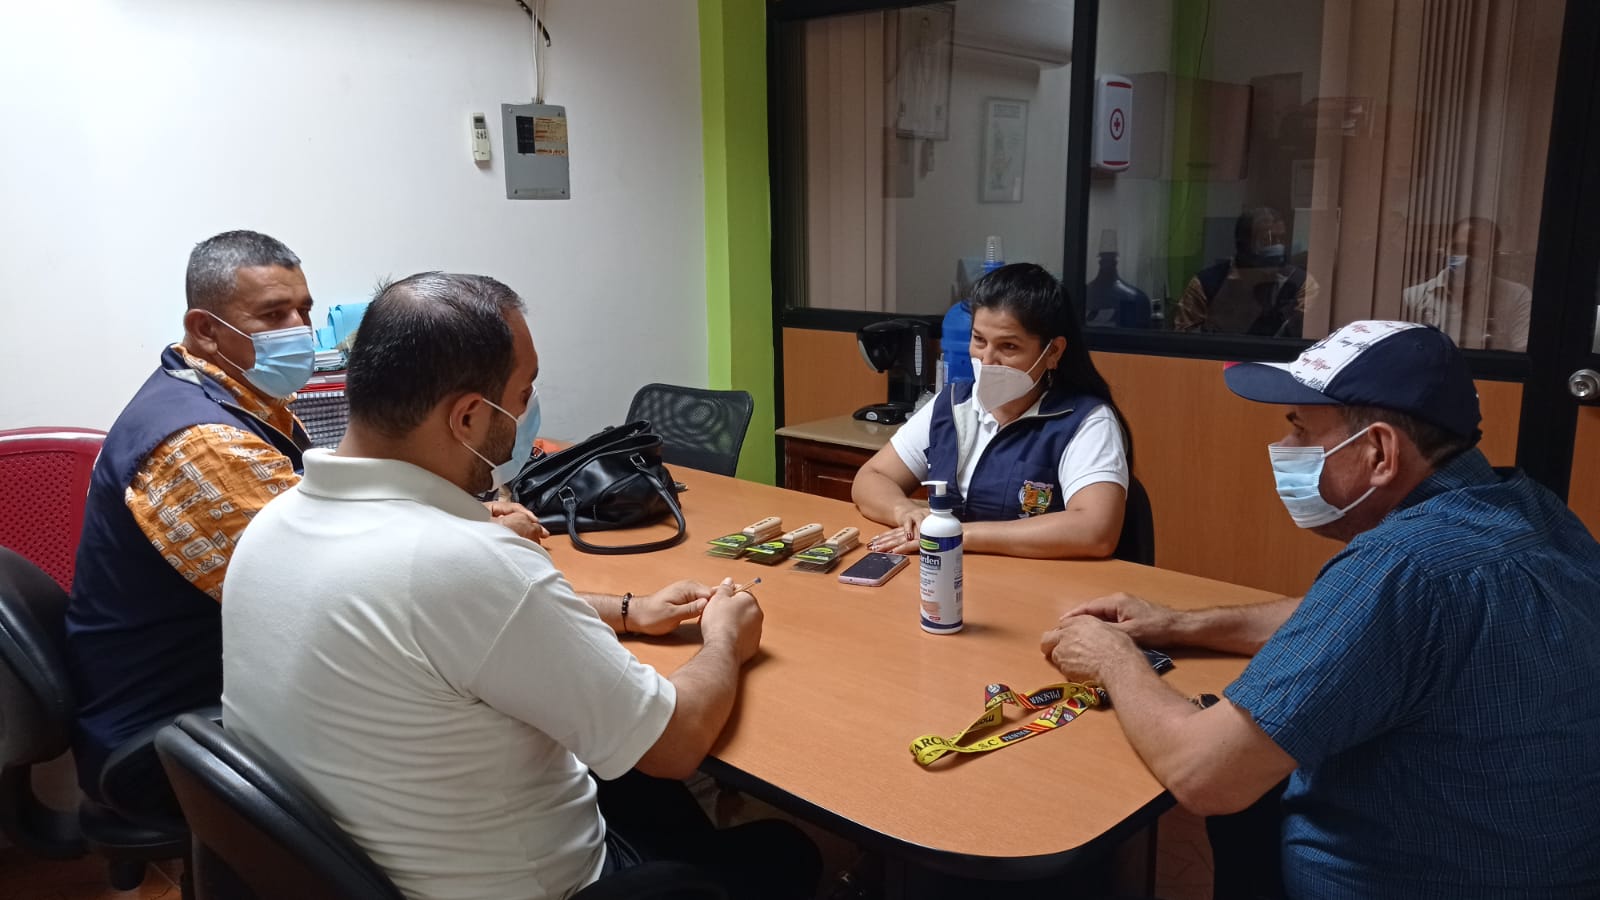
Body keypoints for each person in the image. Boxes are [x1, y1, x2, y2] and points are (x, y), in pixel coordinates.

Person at [221, 272, 818, 900]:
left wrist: (626, 609)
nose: (527, 412)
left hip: (360, 863)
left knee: (624, 770)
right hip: (540, 885)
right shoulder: (467, 562)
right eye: (523, 392)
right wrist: (725, 641)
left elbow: (453, 625)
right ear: (468, 416)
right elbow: (675, 744)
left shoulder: (273, 523)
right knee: (785, 851)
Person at [1040, 321, 1600, 898]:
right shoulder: (1532, 510)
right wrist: (1181, 624)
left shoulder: (1400, 566)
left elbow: (1205, 774)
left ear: (1380, 452)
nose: (1285, 450)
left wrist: (1113, 660)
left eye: (1301, 430)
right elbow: (1354, 622)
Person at [64, 230, 320, 804]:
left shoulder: (229, 396)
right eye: (273, 315)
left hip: (202, 709)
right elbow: (320, 595)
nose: (300, 329)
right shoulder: (201, 443)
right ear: (204, 329)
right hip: (171, 740)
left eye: (304, 309)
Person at [852, 263, 1131, 559]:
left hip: (1033, 582)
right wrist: (904, 510)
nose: (987, 360)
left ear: (1053, 351)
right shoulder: (952, 404)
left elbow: (1096, 529)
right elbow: (872, 476)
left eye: (1008, 346)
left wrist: (960, 536)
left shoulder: (1085, 420)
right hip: (948, 573)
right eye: (979, 340)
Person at [1174, 207, 1316, 338]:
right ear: (1244, 244)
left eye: (1281, 239)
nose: (1278, 246)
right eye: (1267, 240)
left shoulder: (1300, 283)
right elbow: (1182, 339)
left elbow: (1307, 335)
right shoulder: (1207, 284)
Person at [1401, 216, 1531, 351]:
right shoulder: (1413, 297)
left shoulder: (1517, 297)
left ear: (1492, 256)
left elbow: (1522, 353)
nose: (1466, 257)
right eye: (1458, 248)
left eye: (1476, 251)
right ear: (1445, 248)